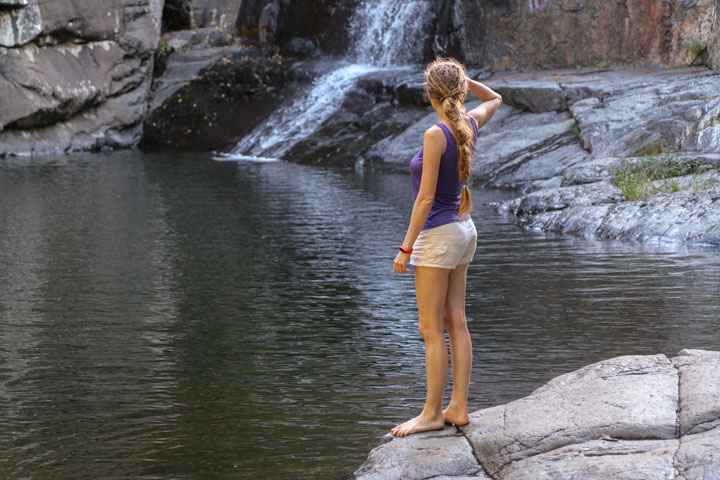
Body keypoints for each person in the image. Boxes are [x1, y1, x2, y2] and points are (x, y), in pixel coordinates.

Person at [390, 57, 502, 437]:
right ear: (458, 90)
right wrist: (465, 81)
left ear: (431, 93)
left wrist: (406, 249)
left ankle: (432, 414)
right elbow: (497, 98)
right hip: (464, 230)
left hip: (438, 237)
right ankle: (459, 407)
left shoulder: (436, 134)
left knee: (431, 328)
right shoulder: (468, 123)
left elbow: (424, 200)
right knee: (457, 320)